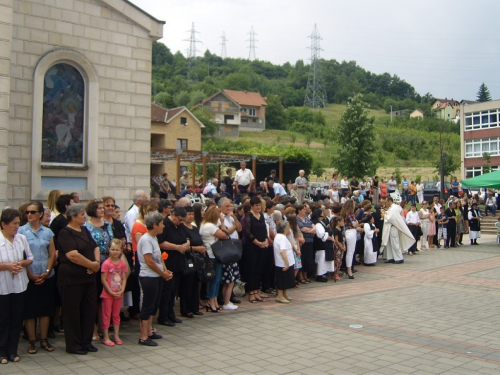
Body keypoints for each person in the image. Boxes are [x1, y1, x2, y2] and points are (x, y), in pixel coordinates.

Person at [57, 204, 100, 355]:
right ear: (73, 217)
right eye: (82, 214)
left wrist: (96, 263)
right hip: (72, 279)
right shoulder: (65, 233)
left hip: (88, 279)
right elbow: (72, 255)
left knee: (89, 310)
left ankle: (86, 341)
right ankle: (74, 344)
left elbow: (95, 247)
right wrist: (91, 265)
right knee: (72, 312)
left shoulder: (84, 230)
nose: (85, 217)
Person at [18, 201, 57, 354]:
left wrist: (47, 270)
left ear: (40, 214)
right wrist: (30, 274)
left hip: (46, 275)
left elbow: (52, 253)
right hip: (30, 276)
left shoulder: (48, 232)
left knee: (45, 309)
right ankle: (32, 340)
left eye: (32, 212)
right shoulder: (21, 231)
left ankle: (44, 338)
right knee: (30, 310)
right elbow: (21, 254)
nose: (29, 215)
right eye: (27, 212)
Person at [0, 208, 34, 364]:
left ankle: (12, 351)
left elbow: (30, 258)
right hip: (3, 287)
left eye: (18, 224)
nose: (16, 227)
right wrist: (7, 266)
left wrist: (19, 263)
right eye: (14, 224)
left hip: (19, 285)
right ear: (3, 224)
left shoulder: (21, 238)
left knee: (16, 319)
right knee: (3, 319)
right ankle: (2, 352)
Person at [136, 212, 173, 346]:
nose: (163, 226)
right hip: (148, 277)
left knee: (154, 306)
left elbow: (159, 258)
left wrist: (165, 271)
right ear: (155, 225)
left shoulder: (154, 238)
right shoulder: (146, 239)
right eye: (162, 223)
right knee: (148, 306)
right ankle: (143, 336)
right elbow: (149, 261)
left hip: (156, 276)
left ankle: (149, 331)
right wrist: (163, 274)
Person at [157, 207, 189, 326]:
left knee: (174, 290)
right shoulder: (165, 224)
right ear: (174, 215)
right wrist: (176, 247)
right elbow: (161, 242)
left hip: (179, 261)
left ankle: (171, 314)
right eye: (179, 220)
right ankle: (163, 315)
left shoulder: (180, 226)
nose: (180, 222)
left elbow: (186, 237)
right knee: (167, 290)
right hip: (168, 261)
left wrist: (186, 244)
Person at [199, 207, 229, 312]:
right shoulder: (210, 226)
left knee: (216, 279)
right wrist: (222, 222)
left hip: (210, 254)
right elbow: (224, 235)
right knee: (215, 280)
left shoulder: (203, 225)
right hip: (213, 255)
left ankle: (214, 301)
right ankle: (211, 301)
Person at [100, 239, 127, 347]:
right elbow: (103, 279)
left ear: (121, 251)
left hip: (118, 293)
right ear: (109, 250)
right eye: (113, 249)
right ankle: (106, 336)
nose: (115, 252)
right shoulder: (106, 264)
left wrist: (122, 290)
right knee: (106, 315)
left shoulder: (122, 264)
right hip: (108, 294)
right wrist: (110, 291)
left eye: (117, 250)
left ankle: (116, 335)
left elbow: (124, 278)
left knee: (116, 315)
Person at [180, 206, 205, 317]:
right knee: (187, 285)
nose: (190, 216)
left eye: (192, 214)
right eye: (188, 214)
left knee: (196, 283)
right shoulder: (182, 228)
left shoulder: (194, 228)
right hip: (188, 258)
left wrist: (202, 247)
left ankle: (195, 307)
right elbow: (184, 246)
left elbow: (199, 240)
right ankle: (185, 309)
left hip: (198, 259)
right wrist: (196, 248)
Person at [242, 196, 269, 302]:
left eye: (259, 205)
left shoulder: (261, 215)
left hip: (262, 245)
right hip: (252, 246)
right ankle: (251, 292)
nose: (258, 207)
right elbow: (247, 232)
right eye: (256, 205)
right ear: (252, 206)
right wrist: (257, 242)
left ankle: (257, 290)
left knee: (259, 268)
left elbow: (264, 229)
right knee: (251, 269)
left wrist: (266, 240)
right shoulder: (248, 216)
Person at [219, 198, 242, 310]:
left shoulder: (231, 217)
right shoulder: (220, 218)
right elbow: (227, 232)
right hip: (226, 249)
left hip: (234, 248)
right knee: (228, 278)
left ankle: (229, 297)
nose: (229, 208)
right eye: (227, 206)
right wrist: (234, 226)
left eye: (230, 206)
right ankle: (225, 300)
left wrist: (234, 218)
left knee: (233, 276)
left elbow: (240, 228)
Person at [381, 197, 414, 264]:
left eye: (386, 202)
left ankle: (399, 258)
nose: (386, 203)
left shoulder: (394, 208)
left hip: (394, 227)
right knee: (389, 243)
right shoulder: (392, 208)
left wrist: (384, 215)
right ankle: (391, 257)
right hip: (390, 227)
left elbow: (391, 218)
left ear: (389, 201)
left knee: (395, 242)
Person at [273, 221, 296, 303]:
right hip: (283, 263)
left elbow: (291, 246)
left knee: (286, 279)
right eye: (288, 227)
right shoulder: (281, 238)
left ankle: (284, 294)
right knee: (282, 279)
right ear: (284, 228)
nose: (289, 228)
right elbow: (282, 251)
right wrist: (286, 263)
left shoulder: (282, 236)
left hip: (286, 261)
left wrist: (289, 236)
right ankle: (280, 296)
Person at [311, 209, 334, 282]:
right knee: (321, 259)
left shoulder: (321, 222)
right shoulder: (317, 224)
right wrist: (328, 237)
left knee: (323, 259)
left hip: (324, 244)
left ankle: (323, 273)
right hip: (320, 244)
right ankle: (319, 275)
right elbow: (321, 234)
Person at [341, 200, 360, 279]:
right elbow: (354, 224)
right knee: (350, 252)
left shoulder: (343, 213)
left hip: (346, 231)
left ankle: (347, 268)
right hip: (351, 231)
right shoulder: (350, 214)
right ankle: (349, 270)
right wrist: (356, 222)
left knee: (347, 251)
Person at [296, 204, 315, 283]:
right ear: (299, 211)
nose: (305, 211)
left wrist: (311, 229)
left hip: (310, 241)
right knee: (303, 259)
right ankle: (300, 276)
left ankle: (305, 275)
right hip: (303, 242)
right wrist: (311, 230)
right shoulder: (297, 219)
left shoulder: (307, 218)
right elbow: (302, 228)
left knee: (308, 259)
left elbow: (313, 225)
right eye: (303, 209)